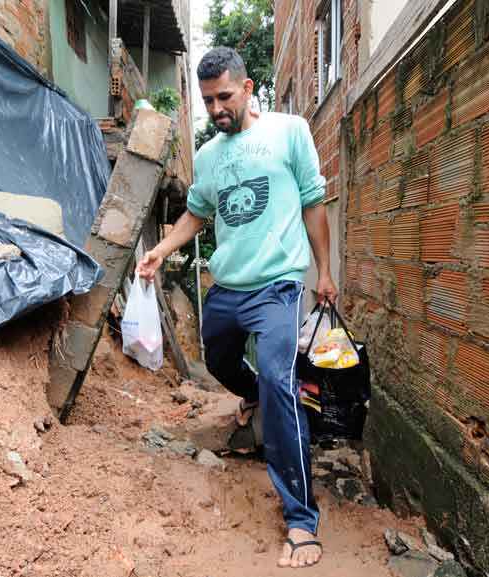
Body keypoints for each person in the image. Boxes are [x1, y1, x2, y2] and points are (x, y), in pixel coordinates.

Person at [136, 46, 337, 569]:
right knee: (218, 358)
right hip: (228, 287)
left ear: (249, 89)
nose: (216, 108)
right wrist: (161, 248)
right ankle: (261, 399)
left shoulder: (290, 132)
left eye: (224, 96)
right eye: (207, 101)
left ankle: (300, 517)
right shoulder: (208, 155)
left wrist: (326, 272)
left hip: (278, 285)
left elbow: (314, 205)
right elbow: (197, 215)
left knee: (277, 377)